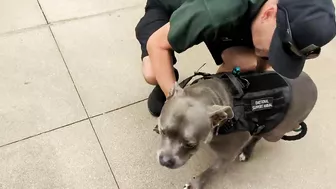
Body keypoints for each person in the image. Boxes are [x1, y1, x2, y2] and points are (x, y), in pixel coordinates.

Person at [135, 0, 336, 117]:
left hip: (236, 19)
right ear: (268, 14)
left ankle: (221, 89)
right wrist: (175, 99)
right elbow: (156, 43)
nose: (272, 56)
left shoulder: (297, 8)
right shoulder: (219, 10)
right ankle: (164, 83)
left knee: (251, 63)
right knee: (153, 72)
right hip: (171, 6)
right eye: (275, 47)